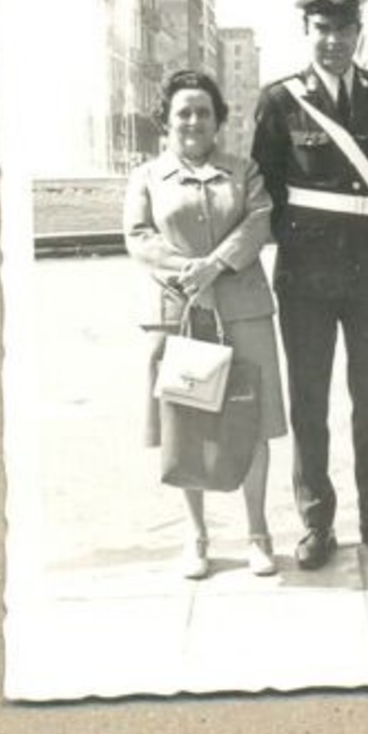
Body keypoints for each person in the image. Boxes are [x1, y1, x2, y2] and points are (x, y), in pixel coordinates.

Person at [251, 0, 368, 570]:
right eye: (323, 30)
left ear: (358, 33)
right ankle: (316, 524)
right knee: (309, 405)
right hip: (307, 279)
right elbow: (265, 193)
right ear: (308, 32)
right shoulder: (280, 100)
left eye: (344, 30)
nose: (333, 41)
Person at [124, 70, 287, 580]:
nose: (193, 121)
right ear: (166, 122)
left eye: (203, 112)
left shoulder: (244, 171)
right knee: (186, 422)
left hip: (243, 311)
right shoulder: (146, 177)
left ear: (218, 120)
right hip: (177, 313)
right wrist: (189, 274)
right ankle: (196, 537)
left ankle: (258, 533)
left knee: (251, 419)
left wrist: (216, 264)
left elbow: (259, 219)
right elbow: (138, 235)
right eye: (183, 113)